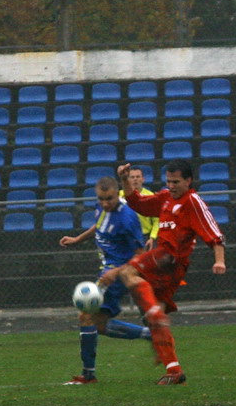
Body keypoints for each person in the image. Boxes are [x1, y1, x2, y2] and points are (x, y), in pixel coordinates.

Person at [104, 159, 226, 385]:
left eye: (176, 182)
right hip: (165, 263)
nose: (171, 186)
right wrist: (124, 179)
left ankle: (153, 312)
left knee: (128, 271)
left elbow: (214, 233)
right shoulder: (165, 198)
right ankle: (174, 371)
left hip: (171, 258)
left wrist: (220, 261)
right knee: (156, 321)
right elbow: (137, 203)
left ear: (189, 181)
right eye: (169, 181)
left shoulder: (193, 202)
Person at [58, 177, 152, 385]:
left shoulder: (128, 218)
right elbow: (99, 227)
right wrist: (77, 239)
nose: (105, 203)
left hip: (117, 275)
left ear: (117, 193)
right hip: (107, 270)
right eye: (101, 199)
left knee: (86, 317)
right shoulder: (100, 207)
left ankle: (88, 375)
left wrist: (115, 272)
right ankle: (150, 334)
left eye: (109, 199)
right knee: (98, 324)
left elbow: (140, 256)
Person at [119, 167, 159, 251]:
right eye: (132, 177)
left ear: (143, 179)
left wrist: (152, 237)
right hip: (125, 237)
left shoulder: (151, 196)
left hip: (144, 237)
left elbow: (157, 221)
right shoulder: (119, 196)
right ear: (127, 179)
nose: (135, 179)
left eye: (138, 177)